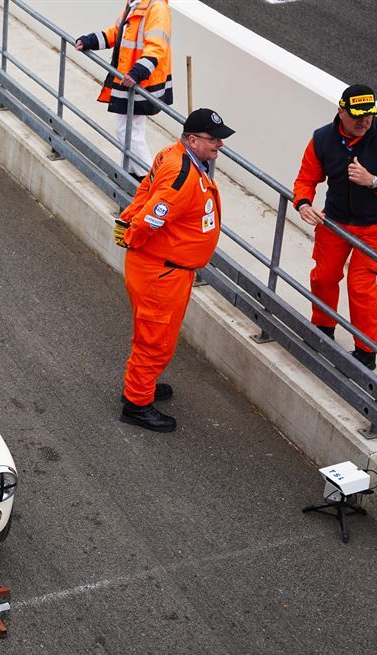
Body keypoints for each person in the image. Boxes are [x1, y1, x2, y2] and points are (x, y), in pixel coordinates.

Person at [115, 108, 234, 432]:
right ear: (192, 140)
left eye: (220, 139)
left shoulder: (175, 156)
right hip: (161, 273)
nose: (219, 145)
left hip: (167, 270)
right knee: (155, 340)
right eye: (213, 140)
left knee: (155, 336)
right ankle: (137, 403)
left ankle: (142, 386)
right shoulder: (181, 175)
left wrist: (129, 219)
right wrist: (131, 233)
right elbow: (153, 214)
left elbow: (144, 192)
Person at [292, 84, 377, 370]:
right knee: (323, 276)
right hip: (335, 220)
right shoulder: (322, 138)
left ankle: (365, 350)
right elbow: (306, 178)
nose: (364, 121)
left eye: (369, 114)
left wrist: (374, 181)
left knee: (360, 284)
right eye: (357, 115)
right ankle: (322, 329)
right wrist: (303, 203)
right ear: (341, 111)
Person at [75, 0, 172, 181]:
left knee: (128, 131)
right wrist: (90, 41)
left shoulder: (156, 7)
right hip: (131, 79)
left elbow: (157, 47)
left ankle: (148, 181)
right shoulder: (135, 4)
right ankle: (129, 174)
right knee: (131, 130)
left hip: (141, 81)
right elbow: (116, 33)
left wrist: (137, 72)